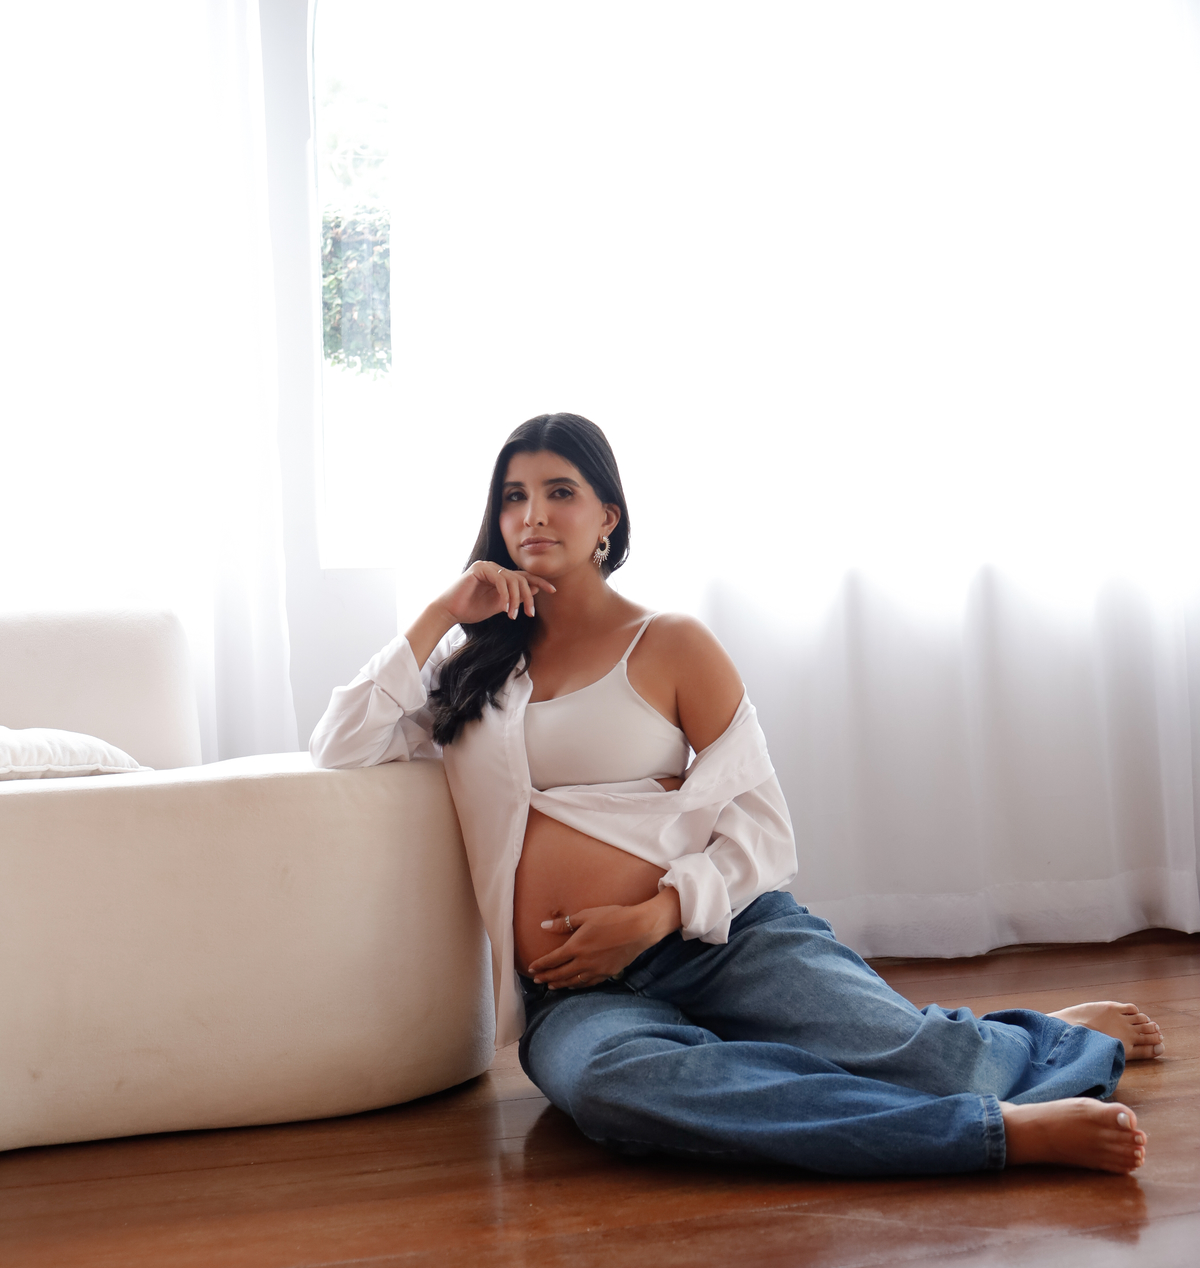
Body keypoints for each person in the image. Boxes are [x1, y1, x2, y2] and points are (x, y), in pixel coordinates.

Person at [310, 413, 1163, 1177]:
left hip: (719, 937)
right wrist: (440, 611)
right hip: (573, 994)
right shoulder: (470, 671)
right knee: (610, 1088)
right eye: (514, 496)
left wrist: (654, 916)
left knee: (941, 1064)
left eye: (559, 492)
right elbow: (341, 744)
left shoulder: (670, 643)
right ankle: (991, 1133)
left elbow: (764, 830)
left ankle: (1038, 1043)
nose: (532, 514)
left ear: (608, 518)